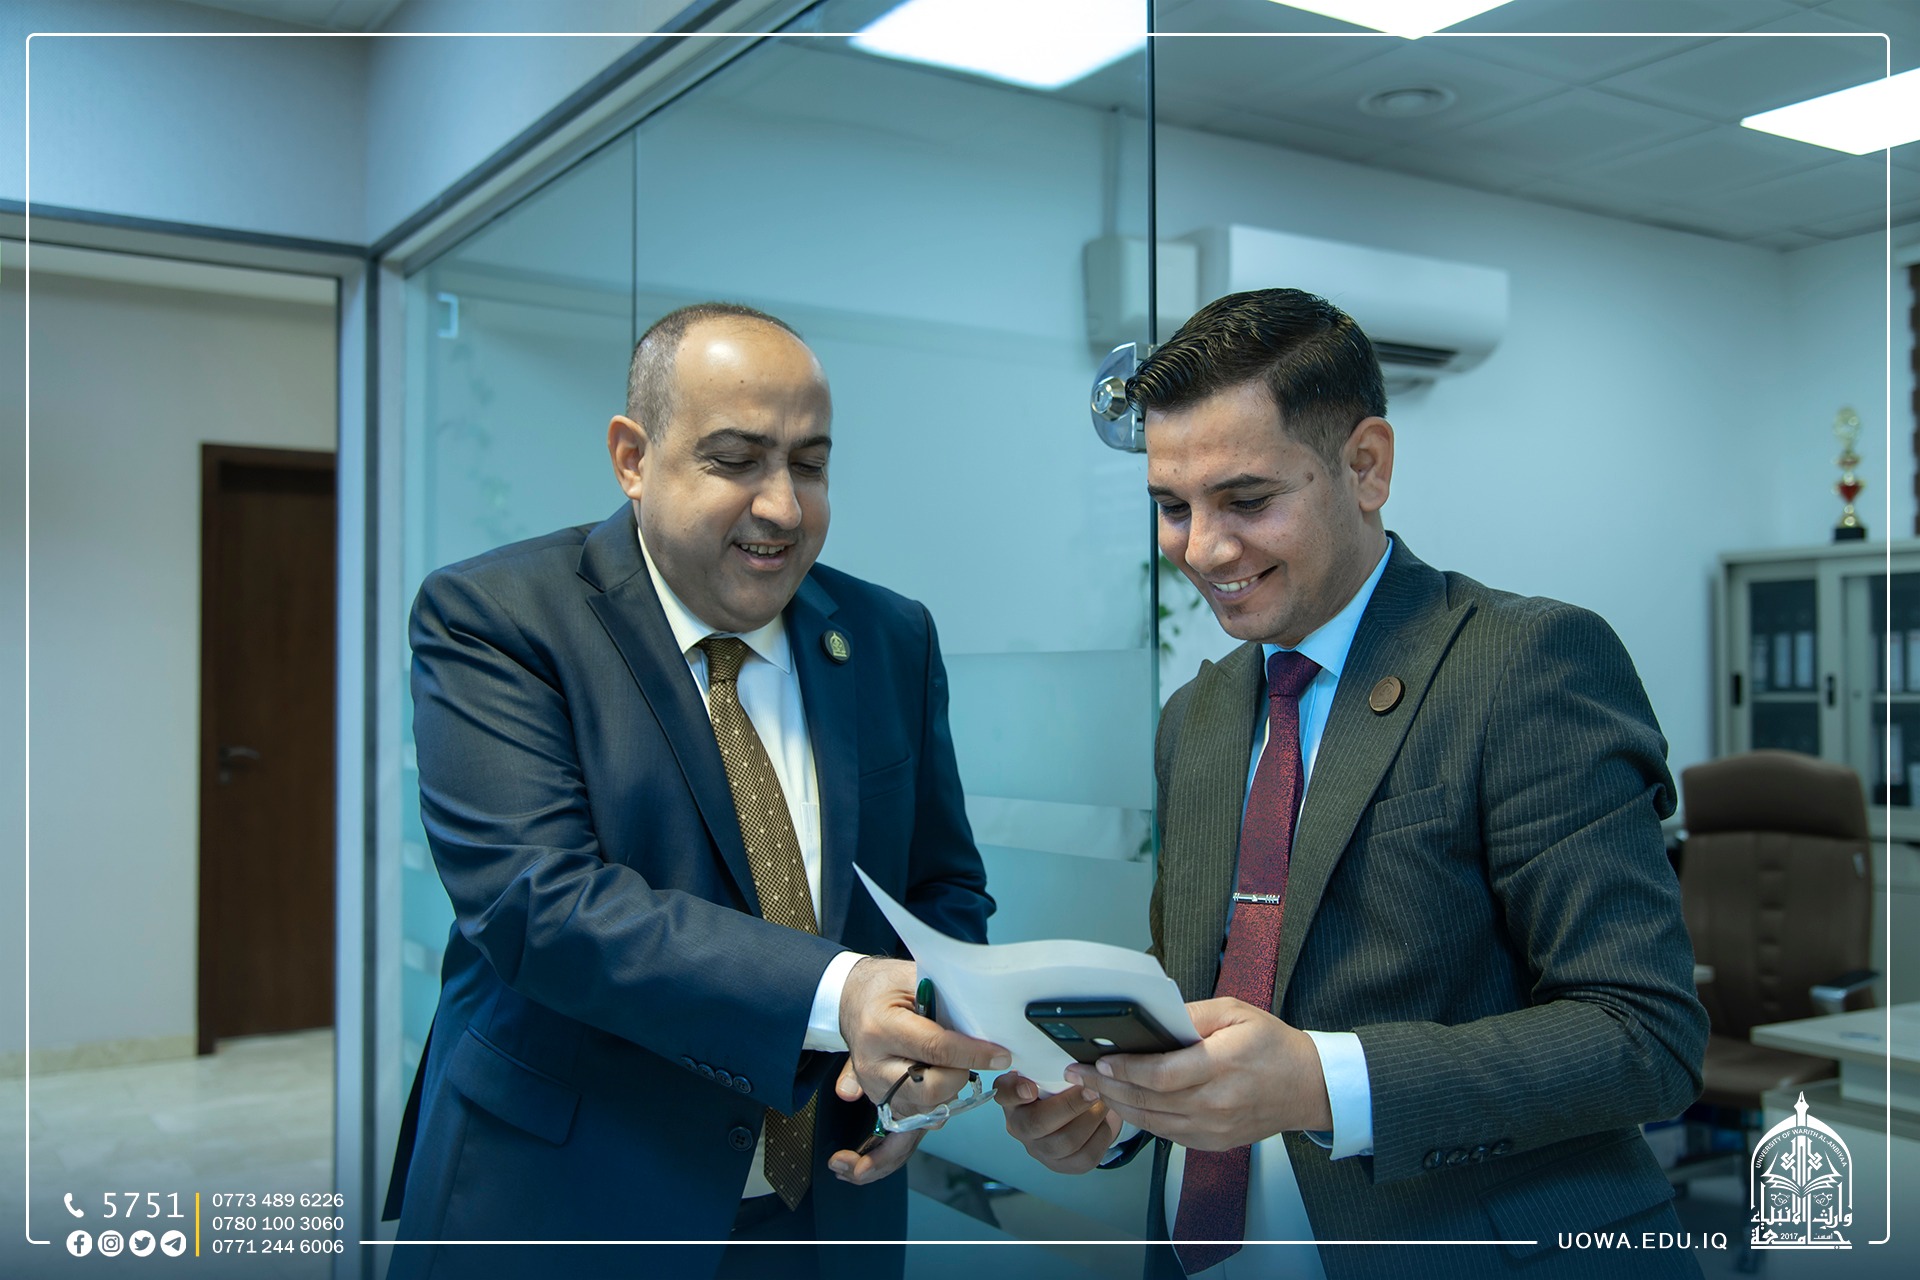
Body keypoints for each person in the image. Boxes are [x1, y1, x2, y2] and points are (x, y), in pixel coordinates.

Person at [995, 289, 1707, 1279]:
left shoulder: (1525, 666)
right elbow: (1212, 998)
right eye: (1172, 507)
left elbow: (1644, 1035)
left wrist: (1321, 1082)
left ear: (1366, 466)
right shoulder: (1196, 719)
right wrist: (1116, 1110)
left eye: (1248, 500)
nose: (1203, 549)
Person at [383, 302, 1008, 1280]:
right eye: (736, 460)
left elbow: (943, 888)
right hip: (571, 1203)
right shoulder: (497, 619)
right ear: (632, 458)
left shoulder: (889, 637)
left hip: (828, 1206)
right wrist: (844, 993)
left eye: (810, 464)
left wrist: (926, 1038)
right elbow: (538, 904)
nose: (783, 508)